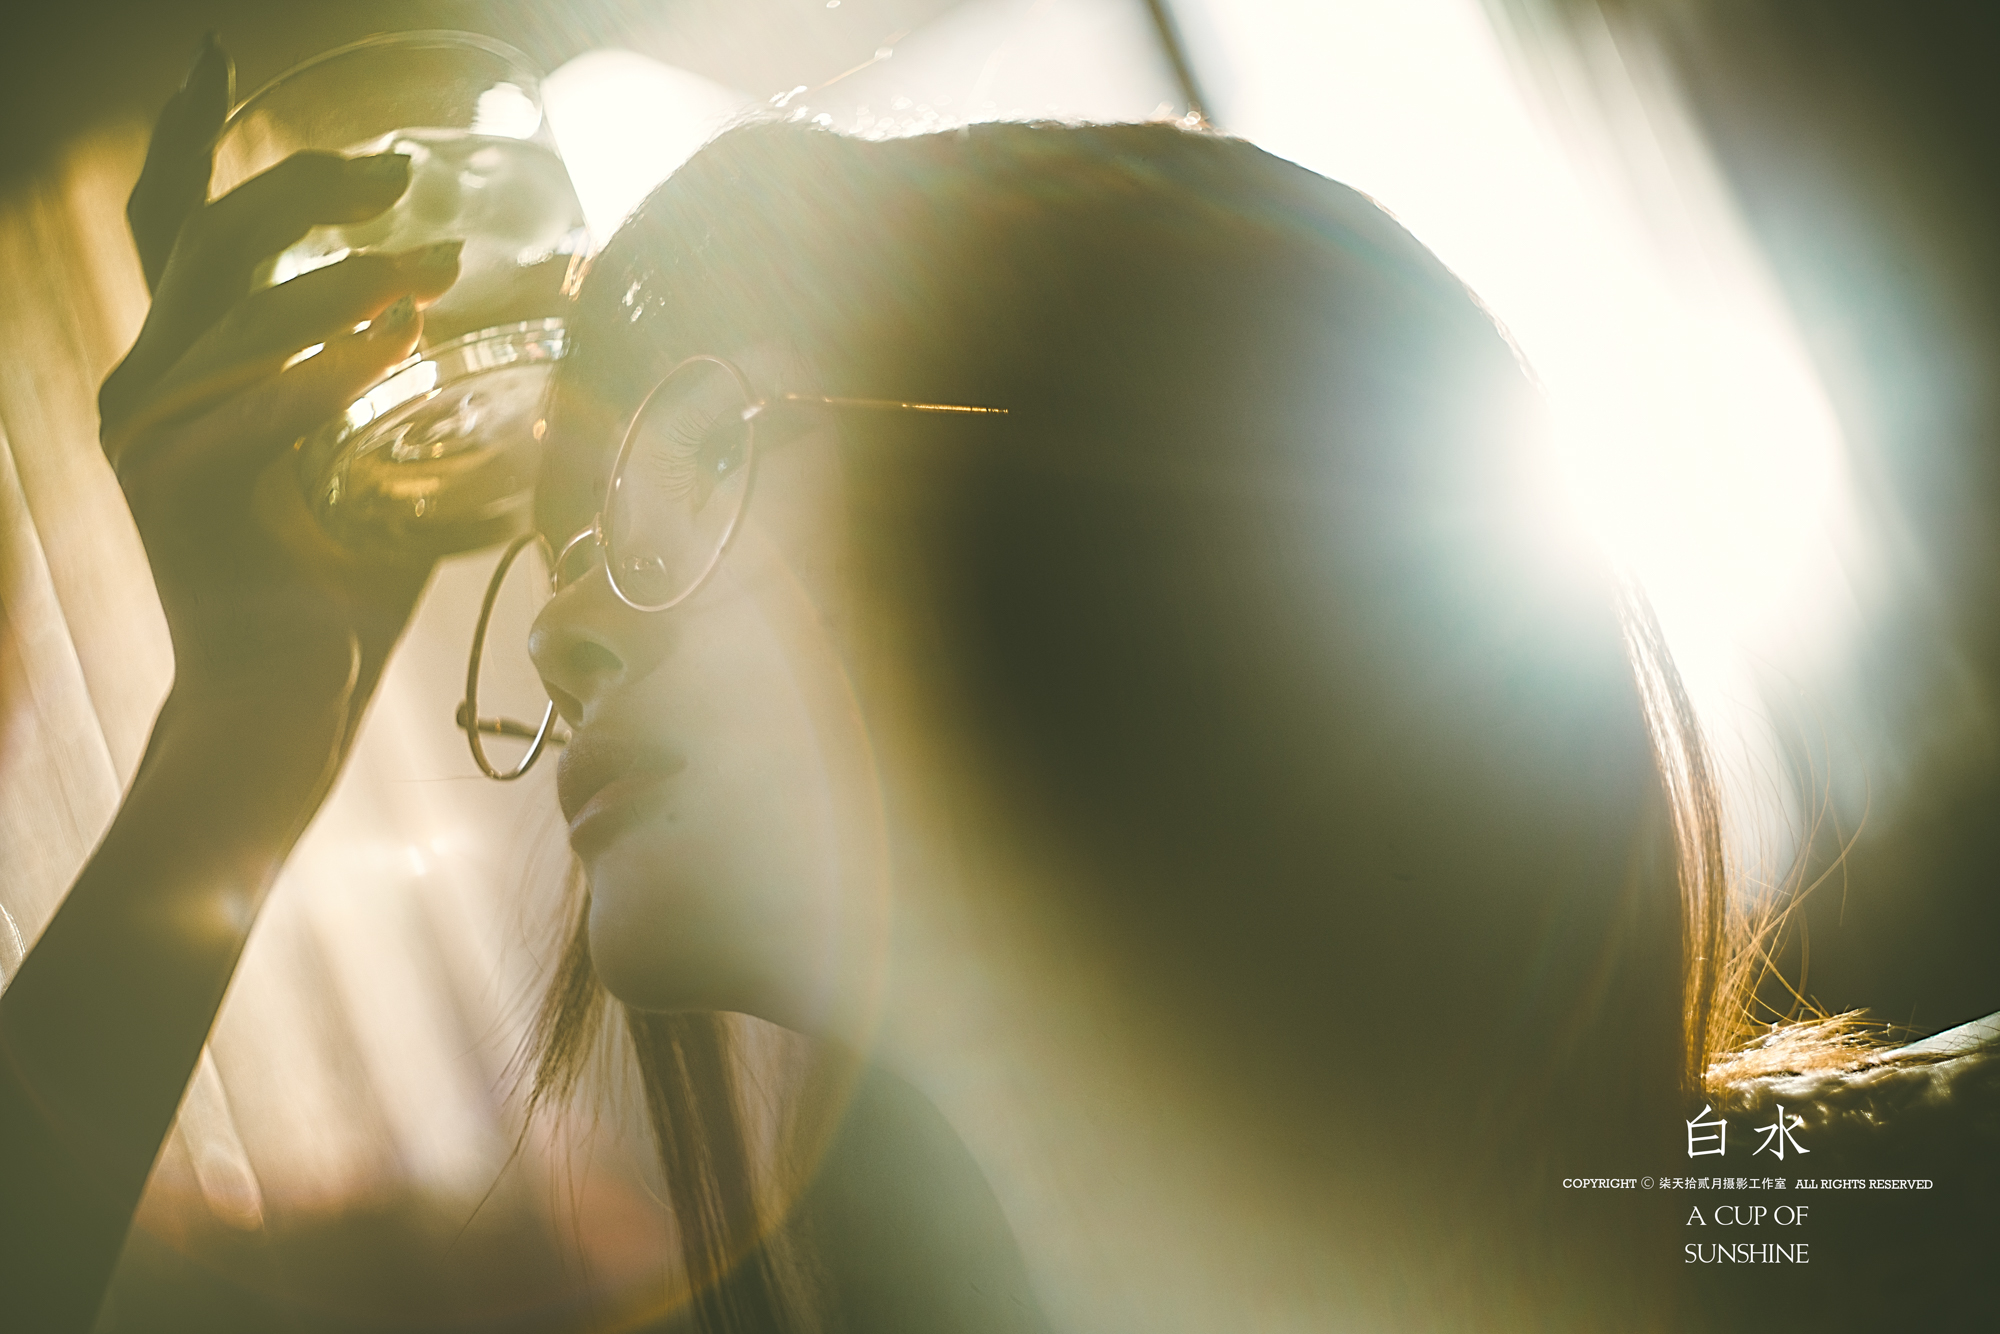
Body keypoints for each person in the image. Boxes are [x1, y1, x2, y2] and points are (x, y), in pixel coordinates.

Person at [20, 31, 1958, 1334]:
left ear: (1144, 507)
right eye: (572, 540)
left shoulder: (1859, 1209)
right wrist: (245, 728)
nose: (555, 625)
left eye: (699, 455)